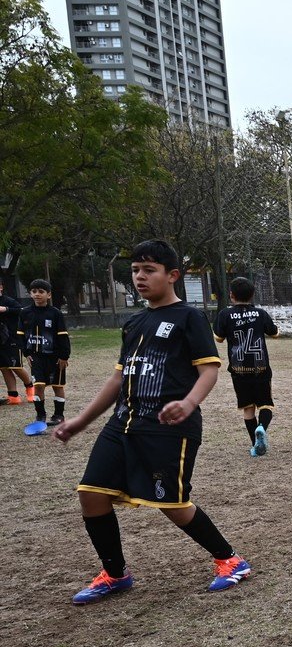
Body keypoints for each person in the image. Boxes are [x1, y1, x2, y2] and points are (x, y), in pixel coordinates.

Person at [53, 240, 251, 604]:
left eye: (149, 270)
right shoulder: (133, 323)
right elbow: (118, 379)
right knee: (92, 494)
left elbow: (209, 369)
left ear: (172, 275)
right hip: (124, 423)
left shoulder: (189, 317)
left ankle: (230, 559)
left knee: (172, 503)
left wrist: (189, 403)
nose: (140, 277)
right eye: (135, 270)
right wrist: (79, 421)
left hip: (169, 427)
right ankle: (115, 574)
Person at [212, 276, 281, 456]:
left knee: (248, 409)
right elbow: (275, 333)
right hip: (261, 368)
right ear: (252, 295)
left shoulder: (225, 314)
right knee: (266, 405)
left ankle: (255, 445)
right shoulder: (260, 314)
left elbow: (218, 338)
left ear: (231, 295)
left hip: (239, 370)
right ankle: (262, 428)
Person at [20, 279, 69, 427]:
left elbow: (62, 335)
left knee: (57, 385)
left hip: (55, 357)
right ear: (30, 294)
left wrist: (64, 356)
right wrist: (26, 352)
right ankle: (40, 415)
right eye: (34, 291)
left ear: (48, 295)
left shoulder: (55, 314)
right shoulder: (25, 313)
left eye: (41, 292)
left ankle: (59, 415)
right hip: (36, 356)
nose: (37, 294)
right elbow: (20, 334)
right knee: (39, 385)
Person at [0, 284, 36, 406]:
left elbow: (22, 310)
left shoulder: (8, 301)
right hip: (0, 341)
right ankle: (13, 395)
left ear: (1, 287)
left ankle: (30, 388)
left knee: (16, 366)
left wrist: (6, 309)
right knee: (4, 367)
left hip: (12, 338)